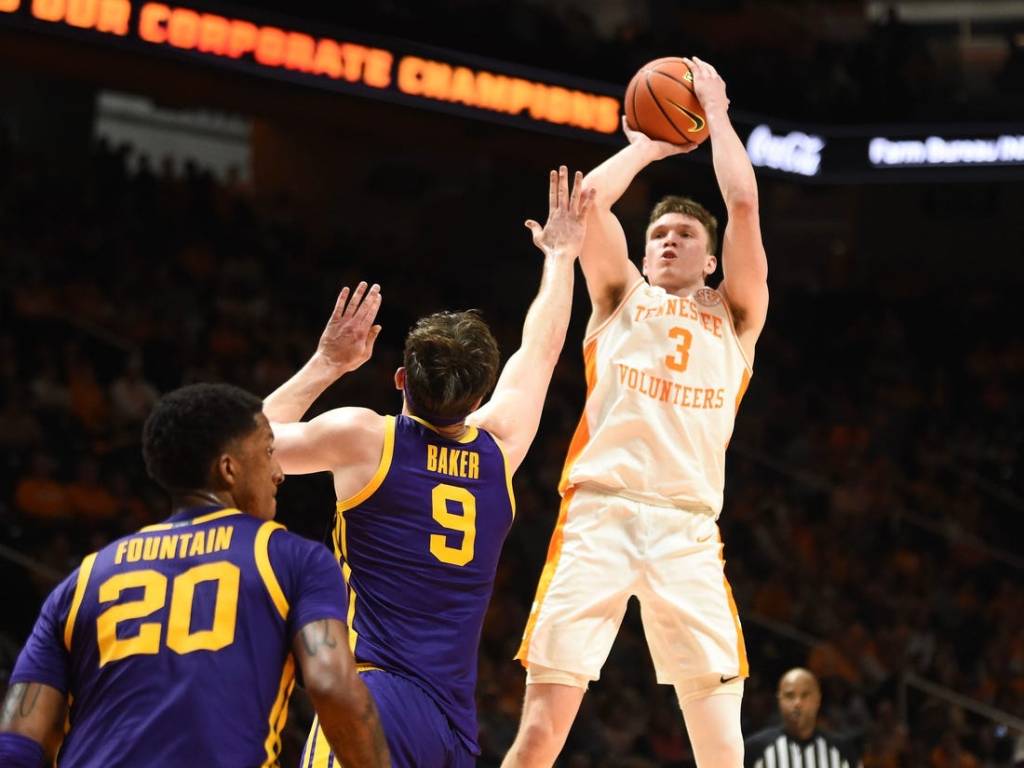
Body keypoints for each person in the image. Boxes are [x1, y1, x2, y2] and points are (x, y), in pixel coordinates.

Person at [262, 167, 594, 768]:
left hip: (372, 698)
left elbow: (246, 443)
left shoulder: (364, 438)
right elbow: (541, 349)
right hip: (452, 725)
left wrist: (327, 363)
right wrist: (562, 257)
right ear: (479, 396)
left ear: (398, 380)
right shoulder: (500, 451)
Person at [504, 57, 770, 768]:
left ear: (712, 262)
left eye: (685, 236)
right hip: (601, 515)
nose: (669, 241)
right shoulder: (622, 298)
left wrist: (714, 113)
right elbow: (586, 206)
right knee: (539, 734)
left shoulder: (736, 317)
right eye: (659, 236)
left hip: (687, 528)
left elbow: (742, 206)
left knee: (723, 752)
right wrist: (649, 145)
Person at [0, 383, 389, 768]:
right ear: (228, 469)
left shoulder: (83, 580)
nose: (278, 473)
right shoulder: (291, 558)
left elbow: (17, 739)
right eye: (269, 453)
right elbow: (331, 685)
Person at [745, 668, 862, 768]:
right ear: (779, 700)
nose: (797, 703)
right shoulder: (755, 749)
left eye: (805, 695)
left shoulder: (843, 749)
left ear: (818, 699)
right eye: (790, 695)